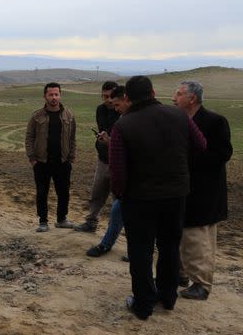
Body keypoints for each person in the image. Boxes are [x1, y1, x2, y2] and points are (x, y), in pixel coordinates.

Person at [110, 75, 206, 320]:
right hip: (175, 196)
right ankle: (168, 297)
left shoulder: (123, 125)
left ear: (128, 98)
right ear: (153, 93)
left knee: (141, 252)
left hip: (139, 200)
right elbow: (201, 145)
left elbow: (118, 170)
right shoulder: (179, 116)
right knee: (169, 247)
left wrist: (120, 194)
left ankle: (143, 304)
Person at [172, 80, 232, 301]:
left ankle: (201, 284)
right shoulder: (178, 120)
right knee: (181, 236)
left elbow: (222, 154)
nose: (173, 98)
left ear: (192, 99)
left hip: (205, 192)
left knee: (199, 239)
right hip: (183, 189)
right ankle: (181, 275)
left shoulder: (215, 122)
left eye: (178, 94)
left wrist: (187, 159)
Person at [25, 82, 77, 232]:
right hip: (42, 162)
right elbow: (29, 137)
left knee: (64, 192)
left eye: (56, 94)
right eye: (51, 94)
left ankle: (61, 219)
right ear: (45, 96)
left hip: (63, 161)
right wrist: (32, 158)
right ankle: (43, 221)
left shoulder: (69, 115)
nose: (54, 97)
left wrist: (71, 157)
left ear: (60, 95)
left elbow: (72, 138)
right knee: (42, 193)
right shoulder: (37, 116)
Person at [86, 86, 130, 257]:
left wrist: (110, 141)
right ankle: (105, 243)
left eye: (116, 103)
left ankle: (137, 249)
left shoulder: (132, 120)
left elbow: (130, 149)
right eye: (105, 97)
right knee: (116, 208)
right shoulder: (119, 116)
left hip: (133, 176)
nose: (112, 104)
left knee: (129, 213)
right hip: (110, 163)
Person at [75, 81, 120, 232]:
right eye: (104, 96)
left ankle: (113, 231)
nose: (108, 100)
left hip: (119, 163)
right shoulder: (100, 110)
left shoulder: (123, 112)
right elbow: (103, 129)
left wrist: (109, 140)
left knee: (117, 199)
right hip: (102, 159)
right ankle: (91, 222)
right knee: (97, 193)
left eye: (111, 96)